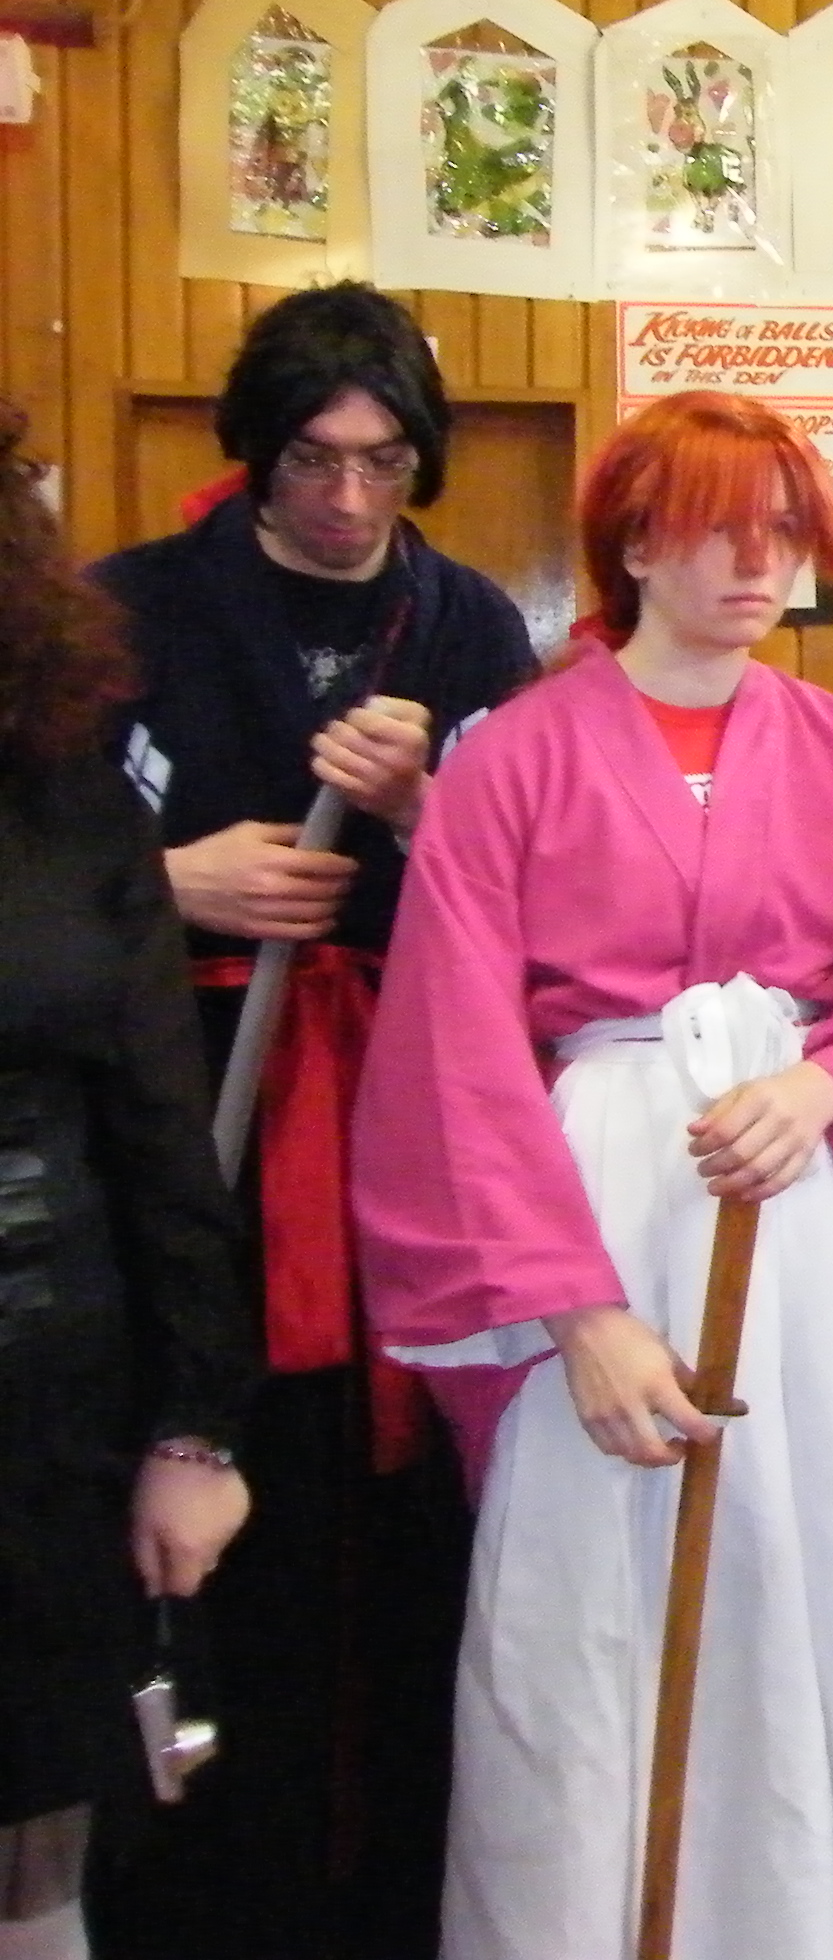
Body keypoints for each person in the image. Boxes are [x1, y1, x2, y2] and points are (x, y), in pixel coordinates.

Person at [347, 392, 833, 1960]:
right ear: (632, 540)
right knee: (604, 1620)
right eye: (721, 529)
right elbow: (454, 1052)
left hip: (818, 1215)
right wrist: (575, 1315)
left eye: (785, 533)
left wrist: (825, 1079)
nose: (759, 566)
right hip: (603, 1215)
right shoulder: (516, 759)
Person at [88, 281, 537, 1960]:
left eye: (383, 461)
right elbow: (38, 868)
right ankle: (197, 1900)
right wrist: (172, 881)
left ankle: (391, 1904)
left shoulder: (467, 625)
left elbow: (536, 903)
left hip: (404, 1120)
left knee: (401, 1509)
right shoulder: (127, 612)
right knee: (198, 1489)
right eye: (312, 460)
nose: (348, 497)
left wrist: (425, 817)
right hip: (182, 1121)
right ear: (255, 453)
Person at [0, 403, 260, 1960]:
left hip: (47, 1414)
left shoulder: (75, 805)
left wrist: (191, 1432)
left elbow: (164, 1145)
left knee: (37, 1855)